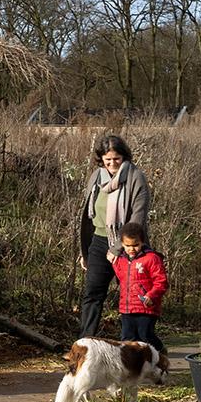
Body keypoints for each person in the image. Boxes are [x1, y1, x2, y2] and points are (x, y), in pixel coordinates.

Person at [76, 133, 151, 339]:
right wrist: (85, 250)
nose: (112, 163)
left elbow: (138, 219)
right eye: (107, 159)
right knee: (92, 294)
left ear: (124, 156)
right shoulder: (96, 177)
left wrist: (118, 248)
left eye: (116, 158)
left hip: (128, 246)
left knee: (134, 296)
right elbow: (88, 216)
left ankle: (142, 343)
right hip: (98, 242)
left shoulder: (136, 178)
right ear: (101, 159)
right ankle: (86, 343)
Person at [111, 221, 168, 353]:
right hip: (126, 308)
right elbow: (121, 278)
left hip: (146, 307)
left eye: (135, 245)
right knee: (127, 339)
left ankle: (160, 352)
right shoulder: (120, 260)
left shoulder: (152, 258)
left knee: (145, 336)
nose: (131, 249)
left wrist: (151, 295)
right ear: (122, 244)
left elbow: (161, 282)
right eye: (127, 246)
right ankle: (132, 363)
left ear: (142, 242)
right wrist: (113, 261)